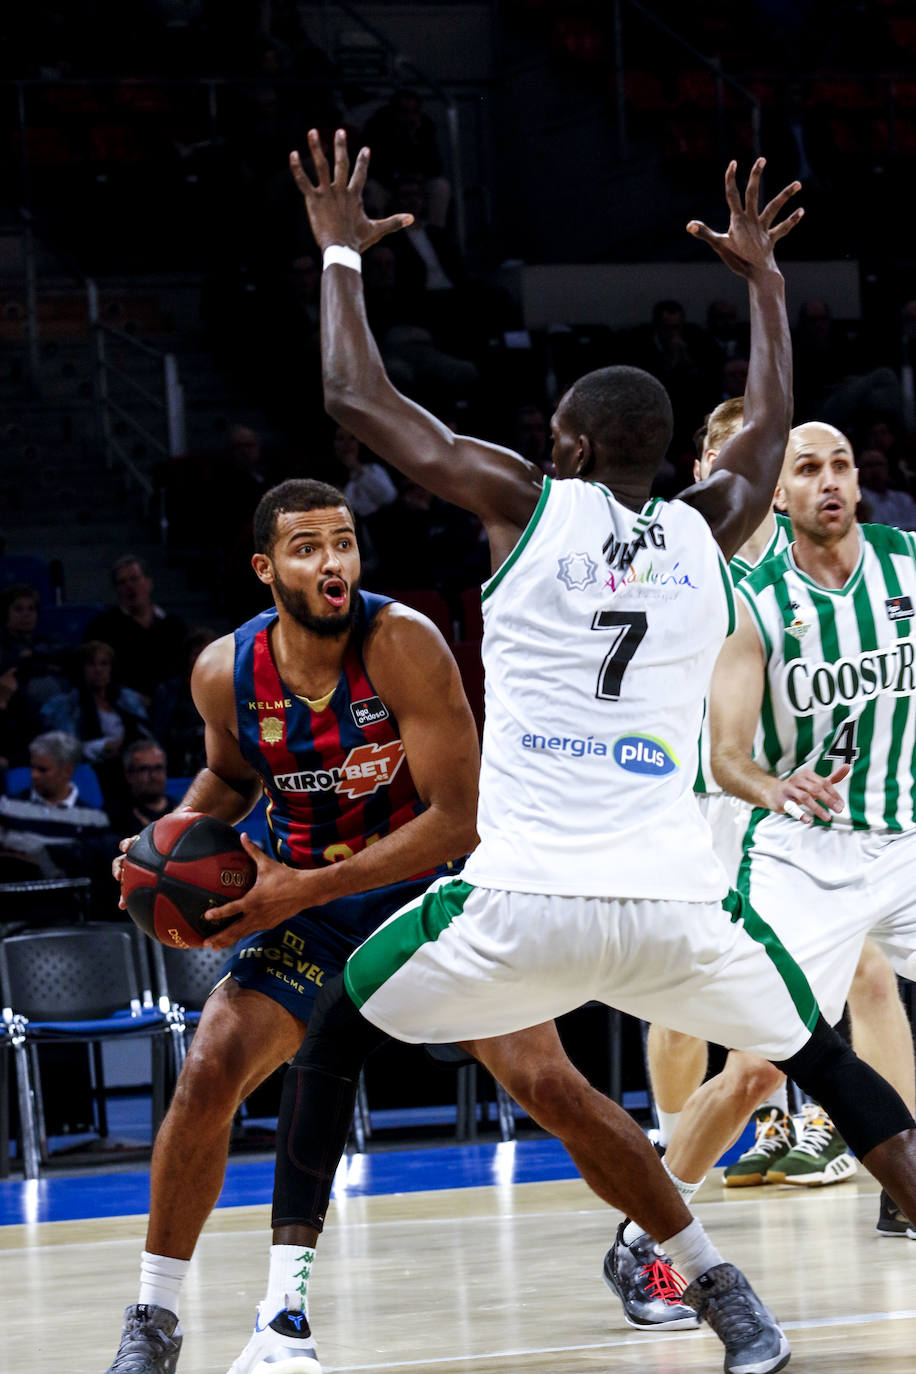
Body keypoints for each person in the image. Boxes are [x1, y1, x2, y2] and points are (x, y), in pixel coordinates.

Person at [216, 140, 904, 1374]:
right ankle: (726, 1293)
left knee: (329, 1038)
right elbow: (768, 432)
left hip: (525, 897)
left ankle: (282, 1318)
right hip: (680, 904)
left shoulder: (526, 509)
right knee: (827, 1066)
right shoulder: (714, 528)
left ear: (572, 448)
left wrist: (335, 249)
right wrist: (762, 284)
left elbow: (358, 402)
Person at [100, 476, 481, 1374]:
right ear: (267, 568)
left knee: (547, 1082)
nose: (333, 561)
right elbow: (230, 784)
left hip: (424, 892)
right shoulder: (225, 671)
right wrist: (170, 846)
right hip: (307, 907)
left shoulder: (404, 644)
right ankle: (154, 1318)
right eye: (308, 547)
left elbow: (460, 818)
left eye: (343, 541)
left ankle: (684, 1261)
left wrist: (303, 890)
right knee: (207, 1074)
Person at [614, 419, 916, 1332]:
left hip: (904, 836)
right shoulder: (749, 599)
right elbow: (728, 755)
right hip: (802, 851)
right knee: (753, 1066)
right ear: (777, 495)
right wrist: (774, 786)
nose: (828, 482)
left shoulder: (907, 567)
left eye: (840, 466)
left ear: (860, 480)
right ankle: (645, 1237)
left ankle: (896, 1184)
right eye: (807, 470)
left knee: (871, 989)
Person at [39, 640, 152, 809]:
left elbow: (147, 738)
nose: (98, 670)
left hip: (129, 764)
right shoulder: (66, 705)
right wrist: (103, 746)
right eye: (91, 664)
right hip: (92, 769)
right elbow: (64, 750)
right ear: (82, 669)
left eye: (104, 664)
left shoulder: (128, 700)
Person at [0, 730, 114, 887]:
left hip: (69, 903)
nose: (34, 775)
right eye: (32, 768)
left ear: (66, 771)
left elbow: (91, 869)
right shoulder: (6, 807)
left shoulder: (94, 819)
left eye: (42, 770)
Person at [85, 556, 187, 703]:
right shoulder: (103, 627)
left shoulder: (173, 625)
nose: (130, 587)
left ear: (148, 583)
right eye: (122, 582)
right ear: (116, 590)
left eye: (134, 579)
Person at [106, 739, 182, 838]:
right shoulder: (115, 815)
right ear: (129, 775)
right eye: (144, 769)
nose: (153, 776)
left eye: (158, 768)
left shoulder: (180, 810)